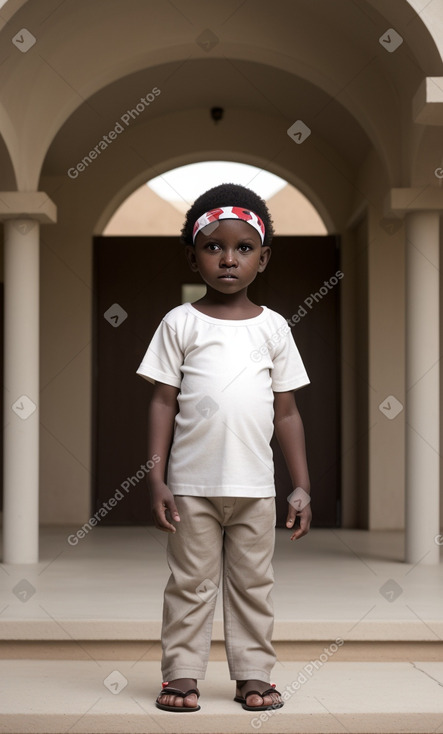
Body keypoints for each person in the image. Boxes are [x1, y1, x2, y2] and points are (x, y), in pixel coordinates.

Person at [136, 183, 311, 713]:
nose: (228, 259)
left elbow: (287, 412)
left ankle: (254, 675)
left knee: (254, 584)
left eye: (242, 248)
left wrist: (300, 483)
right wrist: (157, 476)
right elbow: (163, 403)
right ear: (193, 256)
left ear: (264, 258)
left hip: (255, 487)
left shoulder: (276, 328)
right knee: (190, 584)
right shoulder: (179, 322)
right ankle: (182, 676)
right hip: (191, 487)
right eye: (213, 247)